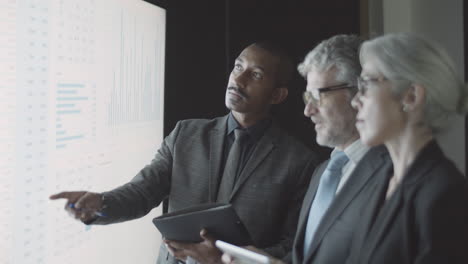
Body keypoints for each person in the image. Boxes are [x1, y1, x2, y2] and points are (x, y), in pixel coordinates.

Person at [50, 42, 318, 264]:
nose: (238, 79)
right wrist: (101, 204)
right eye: (238, 67)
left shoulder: (299, 162)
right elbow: (143, 191)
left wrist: (229, 259)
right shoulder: (185, 135)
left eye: (255, 74)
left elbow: (290, 246)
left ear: (277, 95)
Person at [223, 34, 391, 264]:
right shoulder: (321, 173)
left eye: (318, 95)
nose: (308, 110)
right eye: (307, 97)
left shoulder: (393, 176)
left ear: (360, 93)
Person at [348, 32, 468, 263]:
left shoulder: (445, 194)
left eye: (367, 83)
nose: (355, 100)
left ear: (411, 97)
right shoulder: (378, 180)